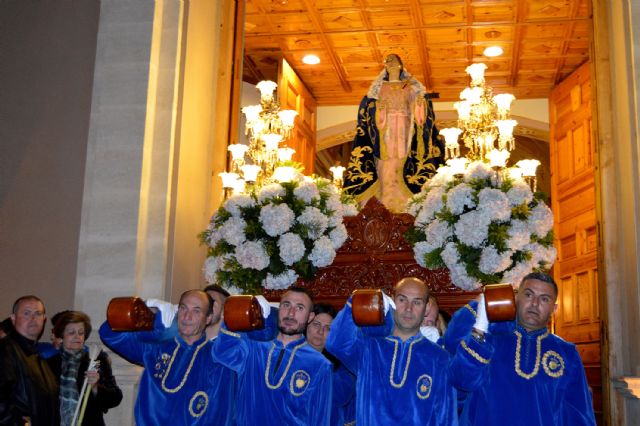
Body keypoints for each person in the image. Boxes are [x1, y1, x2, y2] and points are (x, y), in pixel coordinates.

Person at [445, 272, 596, 425]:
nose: (535, 303)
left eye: (544, 299)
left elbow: (579, 412)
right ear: (516, 298)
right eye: (529, 295)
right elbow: (460, 381)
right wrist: (478, 317)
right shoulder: (489, 338)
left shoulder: (566, 353)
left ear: (554, 309)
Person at [325, 277, 458, 425]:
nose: (408, 308)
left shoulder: (440, 358)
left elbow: (446, 417)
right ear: (392, 300)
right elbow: (336, 343)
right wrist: (357, 300)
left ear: (426, 307)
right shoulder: (369, 348)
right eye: (402, 300)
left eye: (417, 302)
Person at [100, 289, 235, 425]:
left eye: (196, 311)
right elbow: (110, 334)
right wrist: (151, 318)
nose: (187, 316)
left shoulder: (218, 358)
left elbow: (221, 413)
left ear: (208, 318)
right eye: (183, 308)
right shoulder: (156, 347)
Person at [211, 286, 333, 426]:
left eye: (300, 308)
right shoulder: (253, 349)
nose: (291, 313)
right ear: (279, 308)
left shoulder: (320, 365)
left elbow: (320, 420)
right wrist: (240, 312)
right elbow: (221, 352)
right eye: (286, 305)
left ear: (310, 317)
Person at [343, 53, 444, 213]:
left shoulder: (409, 86)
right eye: (387, 61)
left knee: (402, 160)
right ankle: (383, 202)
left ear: (400, 65)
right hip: (386, 130)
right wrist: (380, 110)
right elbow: (370, 110)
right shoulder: (379, 88)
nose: (389, 63)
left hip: (405, 127)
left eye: (393, 60)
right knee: (386, 163)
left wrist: (419, 104)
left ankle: (406, 205)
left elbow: (418, 111)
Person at [47, 311, 122, 426]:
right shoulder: (49, 364)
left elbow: (115, 398)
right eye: (71, 332)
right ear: (61, 336)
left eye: (81, 333)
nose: (77, 336)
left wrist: (95, 387)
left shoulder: (96, 361)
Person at [0, 295, 59, 425]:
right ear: (13, 319)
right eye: (26, 313)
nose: (33, 318)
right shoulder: (5, 350)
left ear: (44, 319)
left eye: (38, 313)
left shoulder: (37, 355)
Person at [307, 303, 356, 426]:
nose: (320, 331)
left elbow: (340, 398)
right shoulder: (290, 355)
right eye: (316, 324)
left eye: (328, 328)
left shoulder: (343, 367)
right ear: (306, 325)